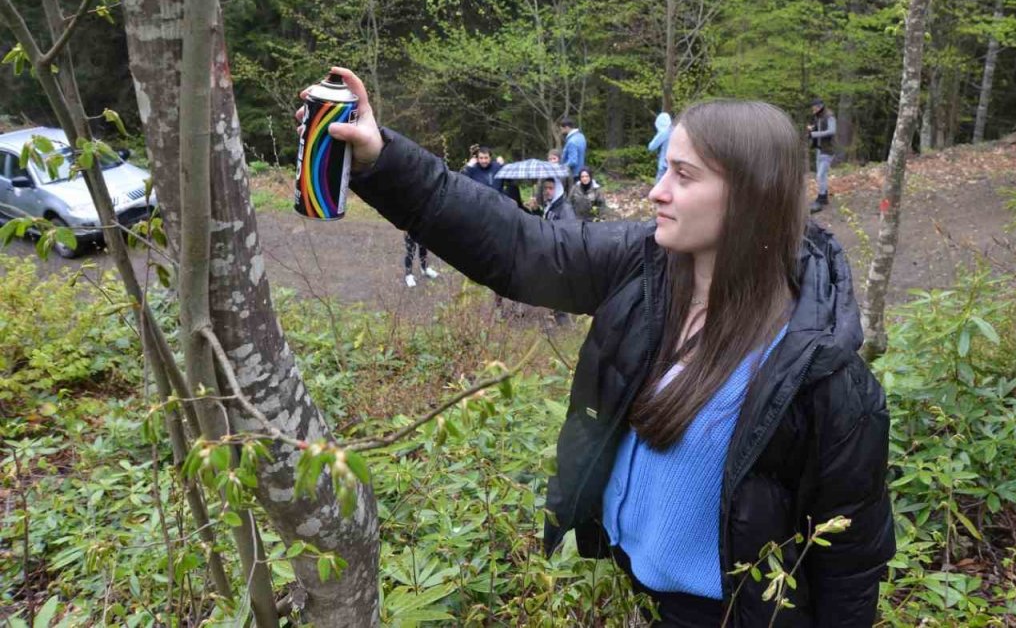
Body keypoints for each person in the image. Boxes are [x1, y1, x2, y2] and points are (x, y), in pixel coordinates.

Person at [310, 68, 894, 627]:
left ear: (750, 196)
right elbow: (520, 247)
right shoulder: (647, 267)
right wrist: (380, 157)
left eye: (684, 177)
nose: (657, 192)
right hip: (617, 586)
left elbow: (850, 564)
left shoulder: (819, 372)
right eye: (663, 169)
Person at [806, 98, 837, 213]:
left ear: (819, 106)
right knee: (822, 176)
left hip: (827, 151)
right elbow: (819, 127)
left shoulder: (829, 116)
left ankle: (821, 198)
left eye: (814, 107)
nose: (812, 110)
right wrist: (812, 128)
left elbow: (832, 131)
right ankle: (823, 198)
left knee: (820, 176)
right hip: (819, 150)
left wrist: (814, 134)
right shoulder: (818, 116)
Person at [648, 111, 672, 182]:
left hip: (664, 166)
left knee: (659, 188)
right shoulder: (675, 130)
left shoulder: (664, 132)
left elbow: (651, 147)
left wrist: (658, 134)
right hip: (674, 165)